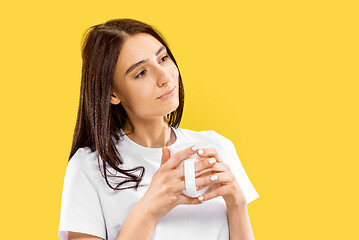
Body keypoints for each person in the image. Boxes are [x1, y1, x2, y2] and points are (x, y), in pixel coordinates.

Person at [58, 18, 260, 240]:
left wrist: (237, 202)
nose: (164, 77)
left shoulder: (216, 147)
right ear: (112, 94)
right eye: (141, 73)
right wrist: (149, 209)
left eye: (163, 58)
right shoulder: (89, 167)